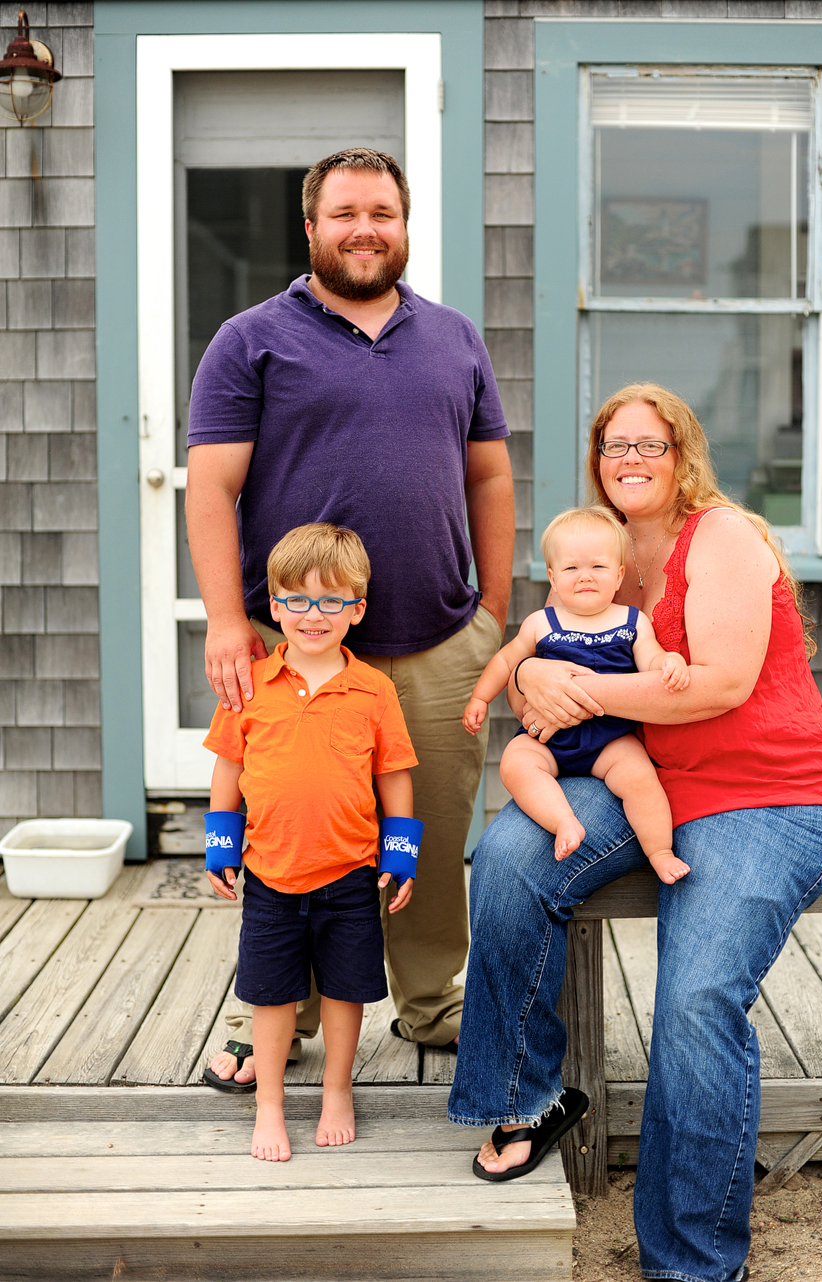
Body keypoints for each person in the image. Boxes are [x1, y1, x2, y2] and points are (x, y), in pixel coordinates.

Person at [449, 383, 822, 1282]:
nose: (630, 461)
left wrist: (568, 690)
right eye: (613, 446)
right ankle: (526, 1098)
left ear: (683, 455)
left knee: (692, 1002)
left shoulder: (724, 539)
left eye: (649, 445)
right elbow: (547, 656)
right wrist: (528, 689)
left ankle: (694, 1259)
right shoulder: (598, 549)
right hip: (648, 776)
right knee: (512, 853)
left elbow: (714, 685)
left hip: (769, 796)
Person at [186, 147, 513, 1088]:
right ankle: (273, 1016)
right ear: (312, 228)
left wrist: (491, 612)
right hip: (301, 656)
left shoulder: (454, 338)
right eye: (345, 213)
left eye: (383, 211)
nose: (366, 228)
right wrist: (223, 622)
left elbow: (488, 476)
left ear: (405, 225)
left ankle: (429, 1002)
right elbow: (211, 489)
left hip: (442, 642)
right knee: (295, 840)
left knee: (431, 835)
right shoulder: (250, 339)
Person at [204, 524, 417, 1158]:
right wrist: (221, 846)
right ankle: (269, 1105)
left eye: (331, 601)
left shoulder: (374, 690)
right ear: (274, 607)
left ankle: (336, 1091)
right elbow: (227, 770)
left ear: (358, 608)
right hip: (270, 871)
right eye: (296, 600)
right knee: (270, 995)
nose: (312, 615)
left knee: (346, 989)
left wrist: (400, 855)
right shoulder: (249, 687)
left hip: (350, 872)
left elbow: (394, 774)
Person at [462, 505, 690, 882]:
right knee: (515, 763)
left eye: (597, 567)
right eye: (571, 568)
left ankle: (660, 851)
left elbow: (650, 658)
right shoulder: (541, 623)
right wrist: (480, 698)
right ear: (552, 577)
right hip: (548, 740)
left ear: (618, 575)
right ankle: (564, 822)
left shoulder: (631, 621)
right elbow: (506, 662)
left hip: (609, 739)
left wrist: (670, 663)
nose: (584, 576)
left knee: (640, 780)